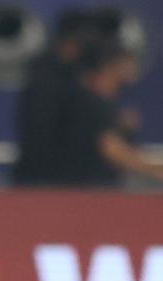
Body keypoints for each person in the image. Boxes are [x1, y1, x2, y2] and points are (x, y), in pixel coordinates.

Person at [60, 41, 163, 186]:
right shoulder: (92, 102)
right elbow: (112, 150)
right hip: (86, 191)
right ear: (109, 66)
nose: (133, 67)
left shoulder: (104, 103)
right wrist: (155, 169)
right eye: (127, 62)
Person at [12, 11, 93, 187]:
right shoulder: (45, 75)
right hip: (43, 176)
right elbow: (40, 129)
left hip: (62, 174)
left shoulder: (75, 72)